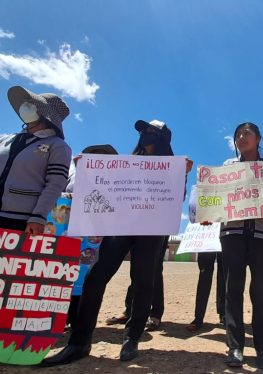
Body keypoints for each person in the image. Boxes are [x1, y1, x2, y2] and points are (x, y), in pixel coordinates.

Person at [41, 119, 193, 366]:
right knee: (95, 277)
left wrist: (182, 175)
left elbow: (177, 200)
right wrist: (88, 170)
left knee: (144, 281)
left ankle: (132, 338)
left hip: (152, 229)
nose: (145, 135)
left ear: (164, 138)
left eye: (152, 132)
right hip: (121, 226)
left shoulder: (173, 168)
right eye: (143, 131)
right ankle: (79, 342)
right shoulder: (126, 163)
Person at [215, 122, 263, 370]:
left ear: (259, 138)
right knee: (232, 290)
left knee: (262, 291)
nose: (241, 137)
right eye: (238, 134)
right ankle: (235, 347)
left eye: (247, 133)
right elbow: (217, 196)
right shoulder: (228, 167)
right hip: (233, 234)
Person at [0, 85, 71, 234]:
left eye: (33, 104)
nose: (25, 106)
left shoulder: (58, 146)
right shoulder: (6, 139)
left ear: (45, 115)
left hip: (20, 220)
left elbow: (55, 184)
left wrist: (38, 217)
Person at [65, 144, 119, 327]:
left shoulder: (115, 182)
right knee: (66, 272)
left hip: (95, 237)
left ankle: (78, 318)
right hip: (69, 233)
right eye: (94, 157)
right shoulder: (73, 175)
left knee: (87, 276)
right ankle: (62, 317)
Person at [186, 252, 226, 332]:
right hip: (207, 241)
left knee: (224, 274)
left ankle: (224, 314)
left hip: (225, 241)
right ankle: (199, 317)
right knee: (204, 274)